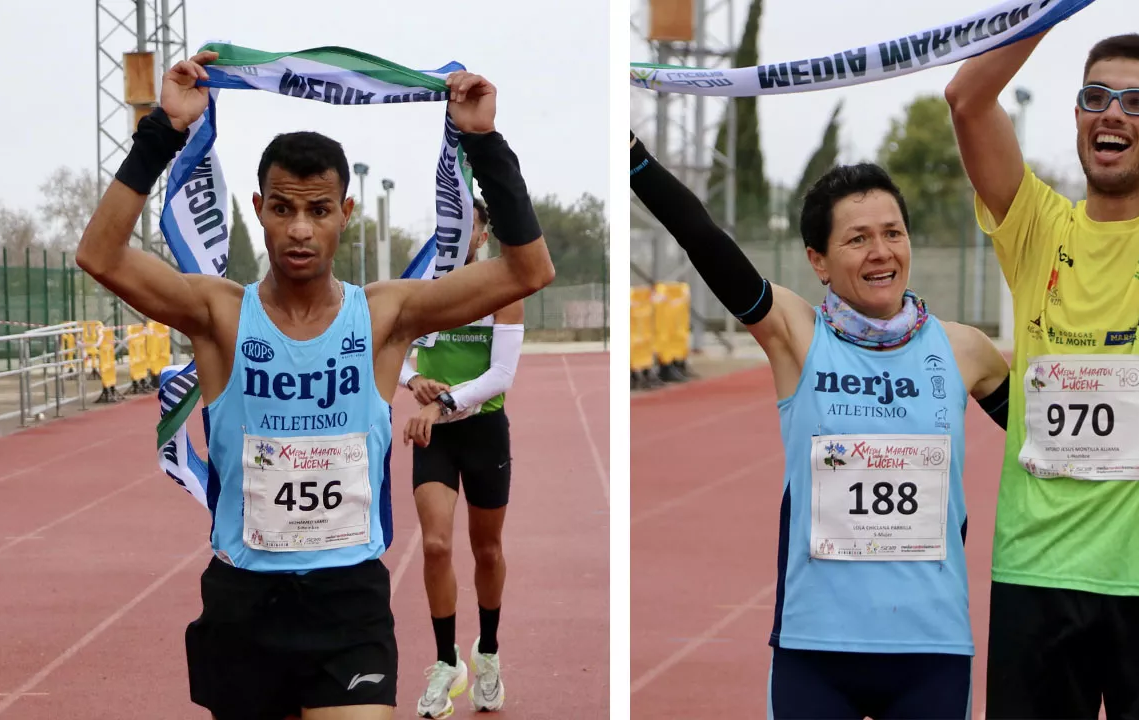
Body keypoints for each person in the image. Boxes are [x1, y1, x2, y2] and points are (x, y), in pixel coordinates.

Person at [75, 50, 554, 720]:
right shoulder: (217, 314)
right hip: (245, 603)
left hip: (347, 603)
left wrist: (483, 141)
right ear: (259, 209)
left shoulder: (386, 315)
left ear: (345, 212)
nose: (300, 229)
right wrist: (163, 129)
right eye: (283, 209)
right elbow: (99, 254)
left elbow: (528, 271)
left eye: (319, 210)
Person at [631, 130, 1012, 719]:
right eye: (857, 239)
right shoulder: (798, 336)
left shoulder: (966, 351)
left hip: (932, 645)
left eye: (893, 233)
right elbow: (704, 238)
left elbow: (1054, 442)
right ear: (819, 261)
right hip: (816, 645)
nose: (881, 252)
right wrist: (636, 161)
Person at [946, 31, 1139, 717]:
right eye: (1094, 97)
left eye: (1137, 101)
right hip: (1036, 575)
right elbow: (966, 98)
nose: (1110, 113)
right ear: (1075, 116)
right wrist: (1046, 11)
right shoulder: (1036, 227)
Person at [396, 198, 525, 717]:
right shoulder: (424, 287)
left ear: (483, 232)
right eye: (451, 224)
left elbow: (501, 376)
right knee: (433, 545)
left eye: (470, 224)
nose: (460, 232)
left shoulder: (503, 286)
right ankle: (447, 663)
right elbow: (396, 349)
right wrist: (413, 379)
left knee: (487, 550)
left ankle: (487, 653)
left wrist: (445, 403)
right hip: (437, 436)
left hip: (482, 431)